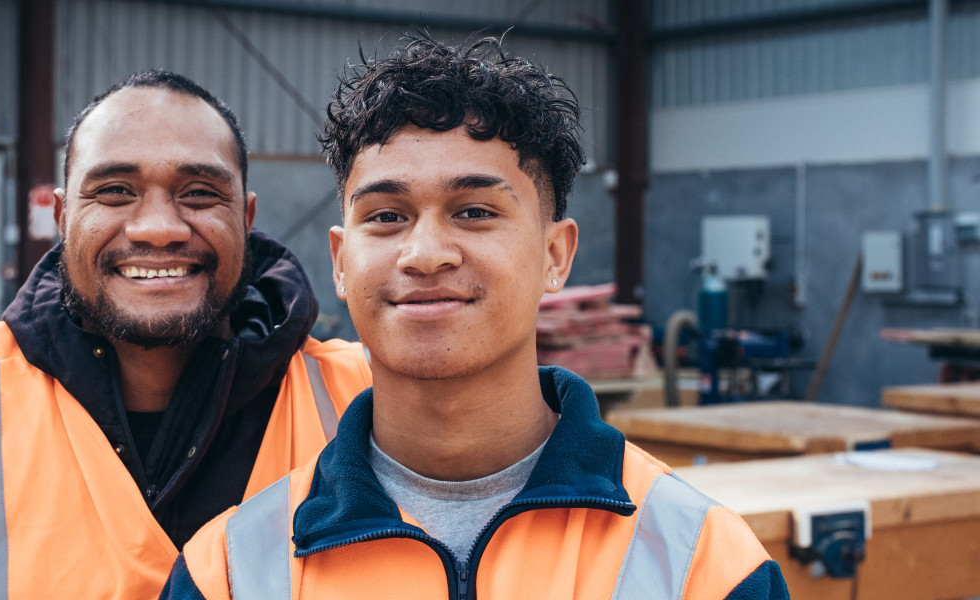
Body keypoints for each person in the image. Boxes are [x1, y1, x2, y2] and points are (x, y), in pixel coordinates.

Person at [160, 35, 789, 600]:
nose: (426, 254)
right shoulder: (230, 573)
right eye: (386, 216)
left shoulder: (703, 567)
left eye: (475, 212)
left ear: (555, 254)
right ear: (341, 262)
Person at [0, 70, 371, 599]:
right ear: (62, 218)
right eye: (115, 191)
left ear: (245, 221)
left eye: (198, 192)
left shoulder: (367, 405)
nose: (157, 228)